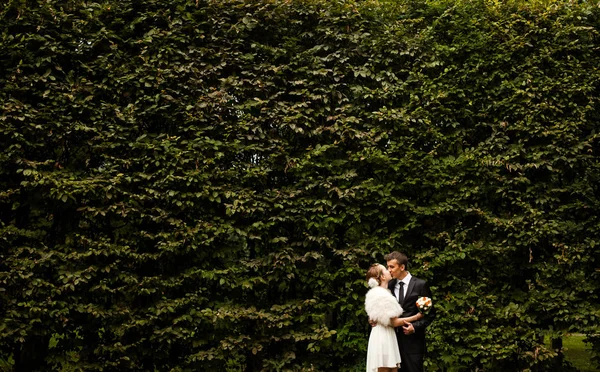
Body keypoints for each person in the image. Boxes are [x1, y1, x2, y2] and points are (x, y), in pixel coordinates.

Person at [365, 264, 424, 372]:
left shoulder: (384, 291)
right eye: (386, 269)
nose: (389, 271)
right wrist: (417, 316)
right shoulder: (383, 295)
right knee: (386, 367)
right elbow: (394, 322)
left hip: (386, 335)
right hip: (383, 337)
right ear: (382, 277)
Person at [386, 251, 435, 372]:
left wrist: (415, 327)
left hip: (413, 344)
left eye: (392, 267)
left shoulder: (420, 285)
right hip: (392, 341)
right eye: (387, 267)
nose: (389, 270)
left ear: (402, 267)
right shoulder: (389, 285)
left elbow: (430, 314)